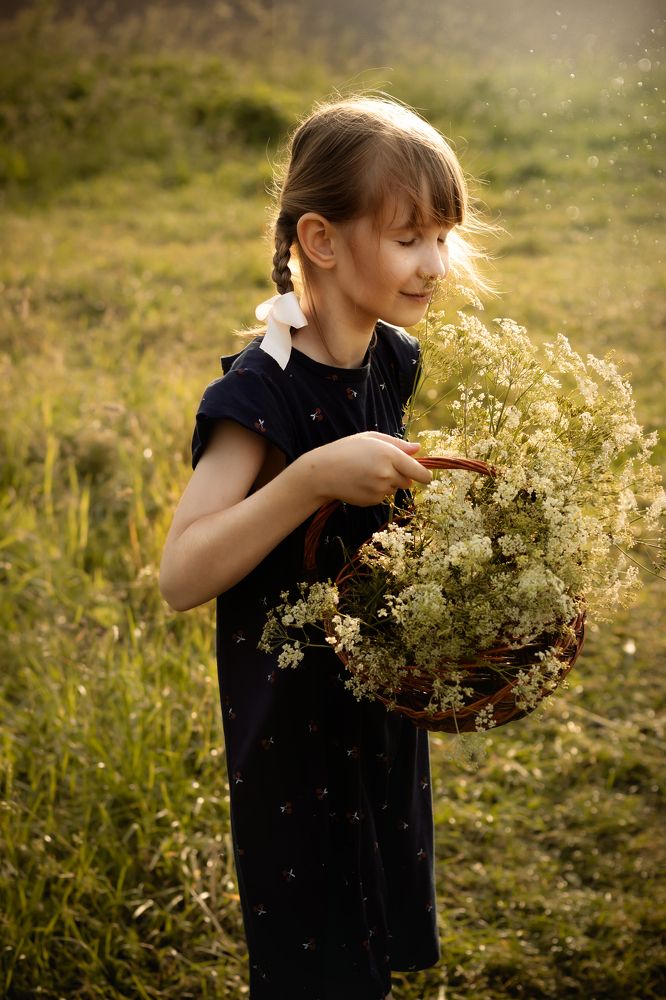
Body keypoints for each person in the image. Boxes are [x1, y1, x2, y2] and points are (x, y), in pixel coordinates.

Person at [160, 95, 490, 1000]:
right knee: (312, 959)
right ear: (323, 238)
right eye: (411, 236)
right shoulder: (258, 395)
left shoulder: (392, 358)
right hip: (293, 733)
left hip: (374, 710)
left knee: (370, 937)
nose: (436, 264)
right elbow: (180, 576)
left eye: (443, 237)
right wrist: (307, 479)